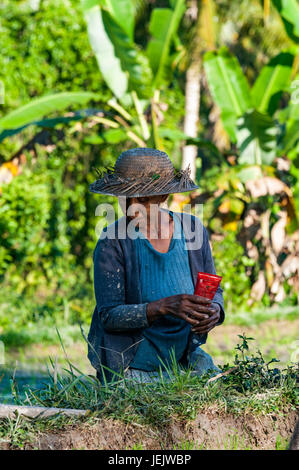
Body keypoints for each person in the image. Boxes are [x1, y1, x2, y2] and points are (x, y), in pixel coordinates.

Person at [87, 148, 225, 384]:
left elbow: (213, 291)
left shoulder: (192, 229)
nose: (131, 207)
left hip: (184, 358)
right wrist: (162, 307)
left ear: (162, 197)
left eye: (140, 199)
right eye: (124, 198)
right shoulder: (113, 242)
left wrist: (214, 311)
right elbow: (109, 315)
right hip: (133, 366)